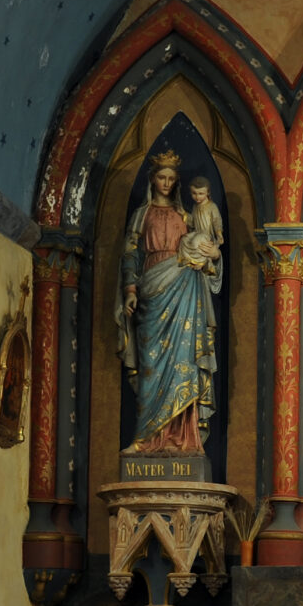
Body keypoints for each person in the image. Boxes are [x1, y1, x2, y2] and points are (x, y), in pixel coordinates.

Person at [115, 149, 223, 457]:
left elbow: (204, 248)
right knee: (151, 368)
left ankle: (186, 441)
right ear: (153, 180)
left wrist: (213, 255)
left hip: (185, 290)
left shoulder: (187, 216)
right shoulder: (141, 214)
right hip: (152, 288)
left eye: (171, 179)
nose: (166, 183)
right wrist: (131, 289)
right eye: (161, 178)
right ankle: (146, 438)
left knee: (183, 364)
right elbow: (131, 253)